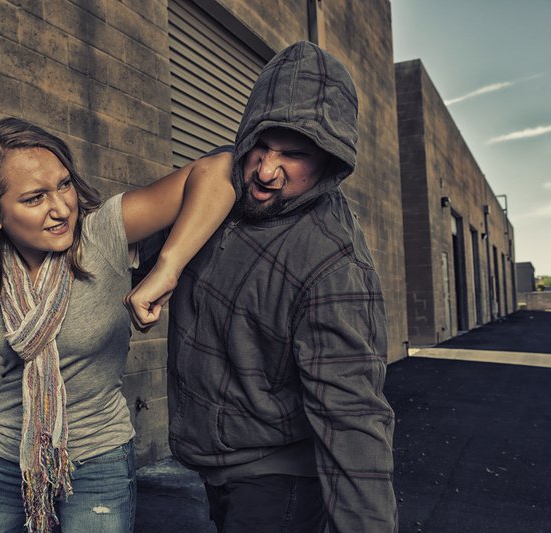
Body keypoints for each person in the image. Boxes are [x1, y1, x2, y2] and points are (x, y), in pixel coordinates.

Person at [127, 41, 397, 532]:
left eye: (293, 155)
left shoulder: (333, 265)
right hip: (220, 466)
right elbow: (146, 246)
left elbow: (353, 416)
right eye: (261, 147)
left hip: (280, 482)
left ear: (329, 161)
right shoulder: (223, 192)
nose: (267, 171)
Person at [0, 117, 234, 533]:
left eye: (63, 184)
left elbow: (220, 170)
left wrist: (168, 268)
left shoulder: (101, 232)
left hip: (97, 460)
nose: (61, 208)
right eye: (34, 198)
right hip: (8, 457)